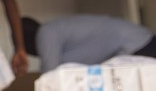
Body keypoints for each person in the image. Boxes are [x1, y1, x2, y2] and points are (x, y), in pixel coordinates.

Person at [22, 15, 156, 72]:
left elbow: (50, 80)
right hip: (139, 43)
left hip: (137, 47)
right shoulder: (54, 32)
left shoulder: (45, 33)